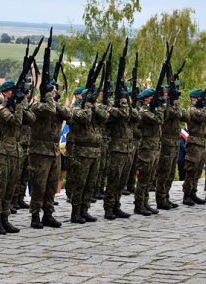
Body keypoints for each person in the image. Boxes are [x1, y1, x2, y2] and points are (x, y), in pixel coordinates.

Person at [0, 80, 33, 234]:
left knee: (11, 188)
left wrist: (23, 102)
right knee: (0, 187)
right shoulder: (1, 109)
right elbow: (16, 121)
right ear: (5, 93)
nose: (14, 92)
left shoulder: (14, 107)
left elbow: (32, 119)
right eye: (12, 91)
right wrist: (19, 106)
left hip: (16, 151)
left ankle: (5, 218)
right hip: (3, 152)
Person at [28, 79, 71, 228]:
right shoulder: (36, 106)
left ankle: (48, 214)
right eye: (51, 90)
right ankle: (35, 215)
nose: (54, 92)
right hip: (39, 152)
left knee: (52, 185)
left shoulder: (56, 105)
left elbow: (68, 114)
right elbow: (50, 110)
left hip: (54, 151)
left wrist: (55, 101)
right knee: (39, 185)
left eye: (54, 90)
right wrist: (49, 98)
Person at [68, 87, 107, 223]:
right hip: (82, 153)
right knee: (80, 183)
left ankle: (85, 209)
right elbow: (84, 118)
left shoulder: (94, 110)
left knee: (90, 184)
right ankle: (75, 212)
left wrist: (94, 107)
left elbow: (105, 117)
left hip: (95, 152)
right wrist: (88, 106)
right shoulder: (76, 110)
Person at [103, 91, 136, 220]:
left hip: (128, 149)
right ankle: (109, 208)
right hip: (116, 149)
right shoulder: (112, 110)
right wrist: (122, 103)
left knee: (122, 181)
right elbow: (124, 114)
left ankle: (116, 205)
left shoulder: (127, 109)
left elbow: (136, 116)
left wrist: (127, 104)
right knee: (114, 180)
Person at [133, 89, 164, 216]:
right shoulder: (144, 112)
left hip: (155, 147)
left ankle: (145, 203)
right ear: (145, 99)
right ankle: (139, 204)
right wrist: (160, 108)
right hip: (147, 148)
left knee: (151, 177)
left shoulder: (151, 110)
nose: (153, 99)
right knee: (144, 177)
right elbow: (159, 120)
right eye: (151, 97)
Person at [155, 94, 187, 210]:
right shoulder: (164, 107)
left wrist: (177, 103)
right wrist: (176, 102)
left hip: (174, 142)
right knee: (164, 171)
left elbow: (185, 116)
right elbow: (177, 113)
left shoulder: (174, 107)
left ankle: (166, 197)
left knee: (171, 172)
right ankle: (160, 199)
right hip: (166, 142)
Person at [183, 90, 206, 206]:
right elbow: (205, 118)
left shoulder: (199, 110)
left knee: (198, 170)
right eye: (199, 98)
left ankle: (193, 193)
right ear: (193, 98)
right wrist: (205, 107)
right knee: (191, 170)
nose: (201, 100)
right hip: (194, 143)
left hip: (202, 142)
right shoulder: (192, 110)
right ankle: (186, 195)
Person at [13, 83, 35, 210]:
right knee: (17, 173)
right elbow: (22, 118)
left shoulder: (25, 105)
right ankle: (14, 198)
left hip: (27, 143)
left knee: (24, 174)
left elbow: (32, 118)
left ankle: (20, 197)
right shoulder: (16, 105)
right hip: (18, 142)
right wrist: (21, 102)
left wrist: (25, 102)